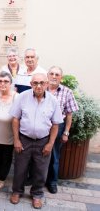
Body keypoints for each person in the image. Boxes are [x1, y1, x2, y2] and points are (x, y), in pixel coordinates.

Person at [9, 73, 62, 209]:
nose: (38, 86)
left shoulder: (53, 101)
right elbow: (15, 119)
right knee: (20, 168)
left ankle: (37, 194)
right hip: (24, 139)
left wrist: (50, 144)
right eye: (35, 83)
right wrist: (16, 140)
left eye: (42, 83)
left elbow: (55, 124)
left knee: (41, 170)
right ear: (31, 84)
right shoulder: (22, 97)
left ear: (47, 84)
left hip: (43, 141)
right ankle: (17, 191)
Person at [45, 66, 79, 194]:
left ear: (61, 78)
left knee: (54, 156)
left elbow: (69, 115)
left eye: (57, 74)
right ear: (47, 75)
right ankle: (35, 178)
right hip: (41, 126)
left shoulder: (67, 92)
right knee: (38, 154)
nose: (54, 76)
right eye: (52, 74)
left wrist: (66, 132)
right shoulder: (41, 88)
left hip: (57, 127)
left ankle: (52, 182)